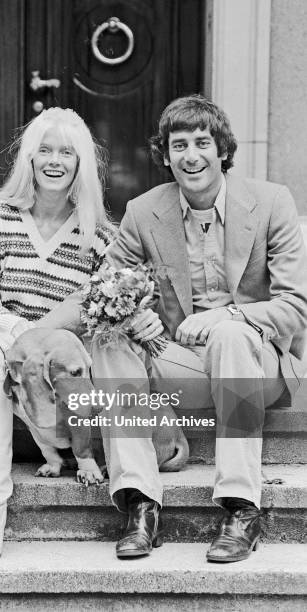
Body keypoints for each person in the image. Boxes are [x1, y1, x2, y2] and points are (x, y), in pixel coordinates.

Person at [43, 94, 307, 562]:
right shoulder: (146, 211)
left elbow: (295, 306)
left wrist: (228, 315)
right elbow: (101, 288)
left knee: (230, 333)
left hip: (255, 364)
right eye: (178, 145)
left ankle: (241, 508)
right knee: (109, 333)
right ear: (165, 156)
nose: (191, 155)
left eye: (202, 142)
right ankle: (139, 503)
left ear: (223, 149)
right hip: (180, 362)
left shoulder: (271, 203)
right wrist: (41, 331)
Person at [0, 107, 114, 563]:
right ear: (28, 159)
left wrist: (33, 343)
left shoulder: (98, 236)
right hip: (1, 349)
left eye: (67, 152)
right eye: (44, 150)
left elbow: (95, 320)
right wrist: (24, 334)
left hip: (46, 382)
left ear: (81, 164)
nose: (55, 161)